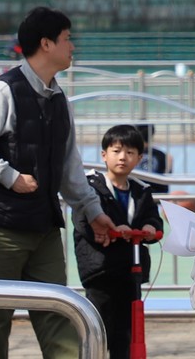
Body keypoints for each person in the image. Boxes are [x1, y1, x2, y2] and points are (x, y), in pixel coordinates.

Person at [0, 6, 116, 359]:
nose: (72, 46)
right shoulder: (3, 91)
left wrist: (92, 210)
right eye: (67, 39)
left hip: (43, 227)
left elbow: (69, 166)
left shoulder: (59, 99)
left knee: (60, 314)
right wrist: (9, 176)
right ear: (46, 44)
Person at [73, 124, 164, 359]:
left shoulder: (142, 191)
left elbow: (153, 218)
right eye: (116, 151)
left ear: (140, 158)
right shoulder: (91, 187)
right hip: (100, 270)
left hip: (130, 272)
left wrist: (151, 228)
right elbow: (84, 221)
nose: (123, 157)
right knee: (98, 327)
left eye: (130, 152)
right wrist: (114, 228)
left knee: (125, 331)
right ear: (104, 155)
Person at [134, 124, 173, 193]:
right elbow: (166, 178)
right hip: (157, 193)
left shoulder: (130, 154)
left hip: (136, 193)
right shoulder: (164, 156)